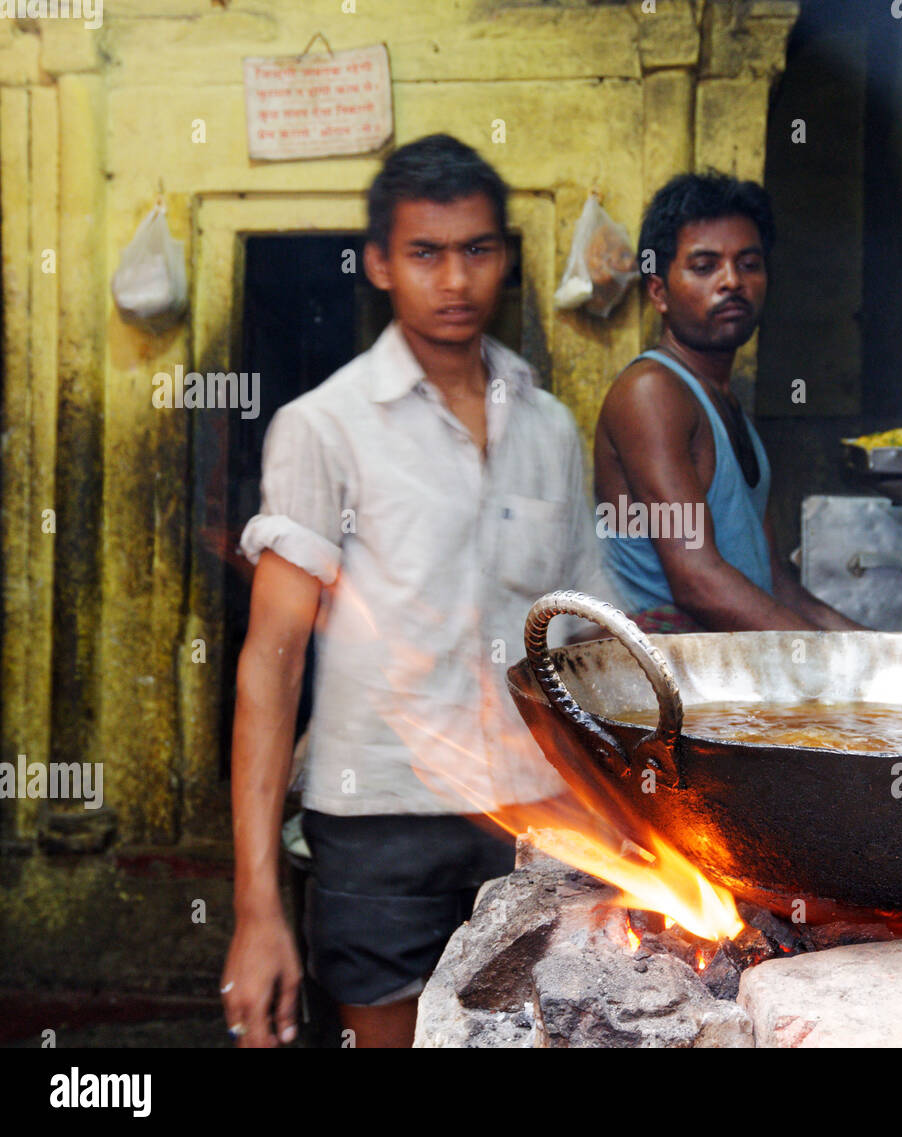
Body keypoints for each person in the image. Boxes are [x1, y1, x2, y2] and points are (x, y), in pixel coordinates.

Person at [221, 134, 616, 1048]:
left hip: (531, 818)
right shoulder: (324, 426)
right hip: (377, 823)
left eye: (477, 249)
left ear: (506, 259)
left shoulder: (548, 426)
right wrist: (254, 906)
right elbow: (269, 668)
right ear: (380, 266)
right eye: (426, 253)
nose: (455, 279)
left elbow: (588, 649)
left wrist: (620, 814)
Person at [594, 172, 862, 633]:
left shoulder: (724, 402)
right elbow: (697, 582)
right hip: (664, 675)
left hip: (725, 662)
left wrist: (878, 653)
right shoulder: (652, 393)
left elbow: (776, 585)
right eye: (704, 266)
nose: (732, 281)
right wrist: (829, 662)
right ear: (658, 291)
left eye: (749, 264)